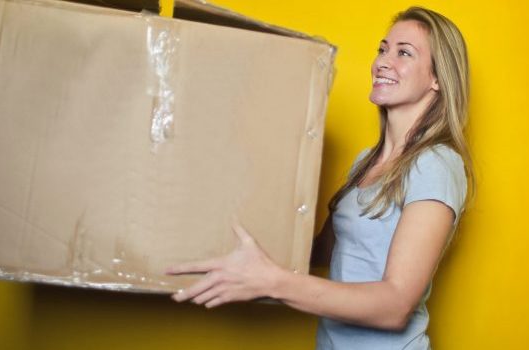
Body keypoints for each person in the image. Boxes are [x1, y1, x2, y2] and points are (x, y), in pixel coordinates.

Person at [166, 6, 474, 349]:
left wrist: (272, 282)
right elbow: (319, 253)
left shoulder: (435, 164)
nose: (383, 62)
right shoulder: (364, 163)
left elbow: (395, 305)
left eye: (404, 53)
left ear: (438, 78)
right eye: (383, 49)